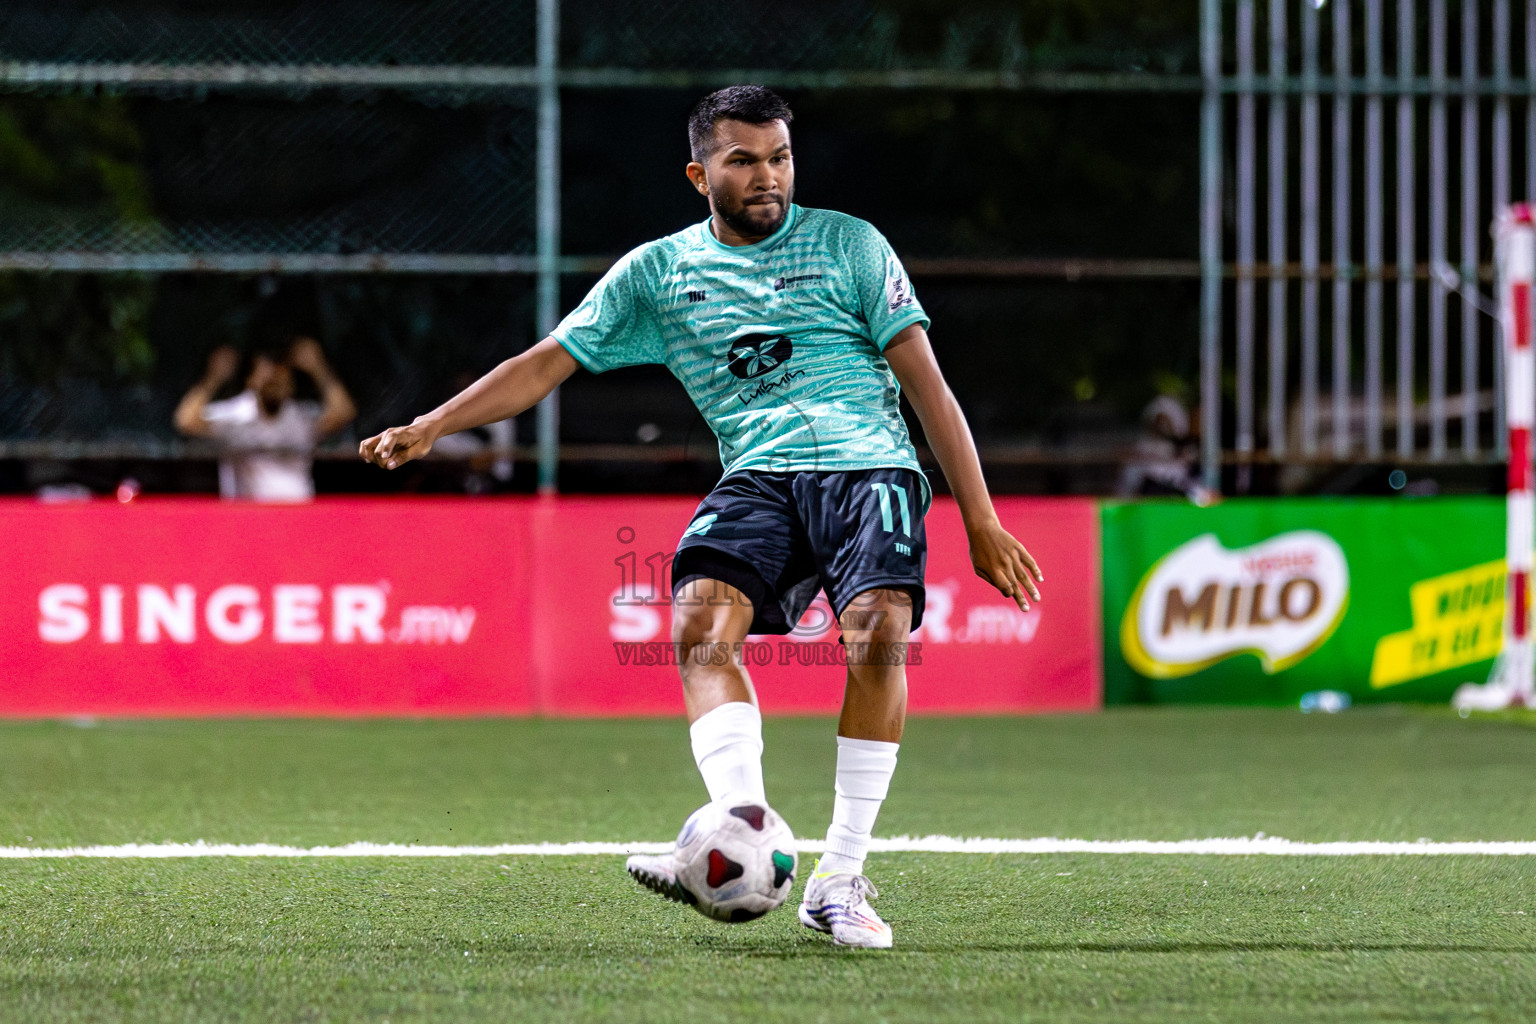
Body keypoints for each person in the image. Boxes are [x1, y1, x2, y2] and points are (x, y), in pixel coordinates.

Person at [359, 86, 1042, 949]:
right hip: (757, 475)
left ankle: (838, 877)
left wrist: (979, 518)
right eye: (744, 160)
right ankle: (734, 829)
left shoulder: (852, 245)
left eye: (781, 157)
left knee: (876, 633)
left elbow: (928, 387)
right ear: (699, 173)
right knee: (696, 624)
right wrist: (432, 426)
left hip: (869, 463)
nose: (768, 177)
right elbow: (543, 365)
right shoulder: (657, 273)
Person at [175, 337, 357, 502]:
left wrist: (318, 368)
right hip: (250, 518)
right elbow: (186, 420)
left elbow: (344, 413)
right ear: (251, 380)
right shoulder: (236, 416)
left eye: (281, 379)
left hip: (301, 515)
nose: (275, 384)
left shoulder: (301, 416)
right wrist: (214, 378)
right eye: (268, 379)